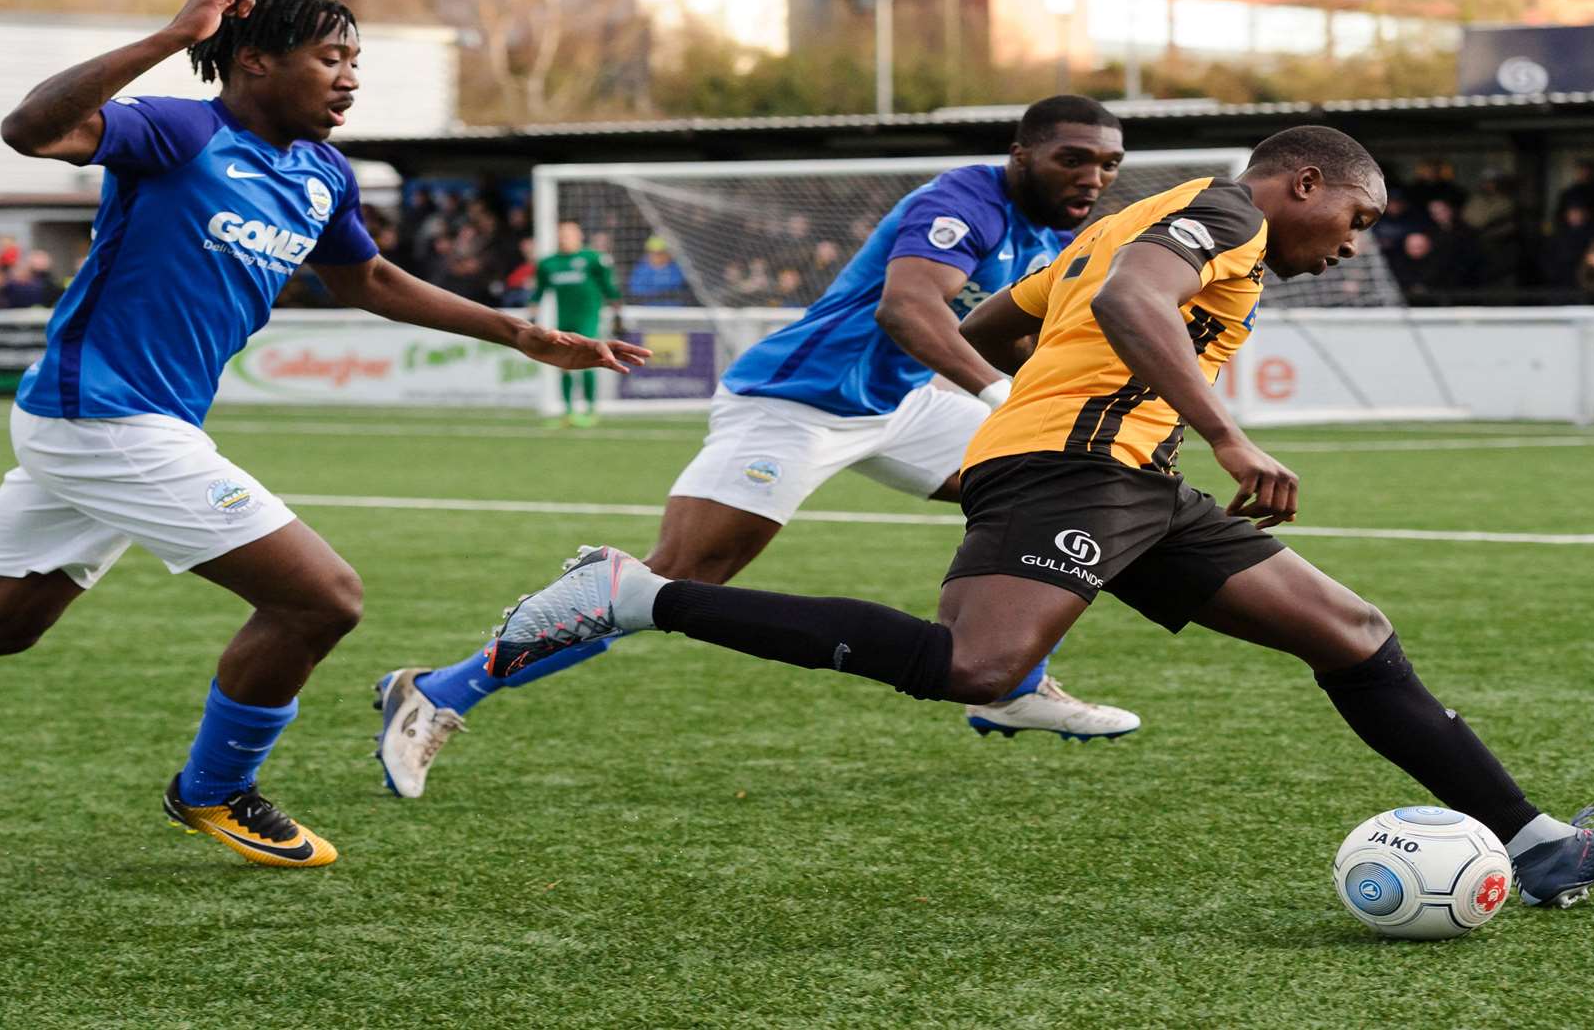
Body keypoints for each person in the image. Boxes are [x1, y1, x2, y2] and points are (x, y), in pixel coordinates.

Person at [487, 126, 1594, 911]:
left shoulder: (1126, 223)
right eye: (1360, 219)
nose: (1354, 244)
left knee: (1351, 629)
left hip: (1129, 473)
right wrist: (1224, 431)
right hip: (1080, 466)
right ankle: (632, 593)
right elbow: (1129, 301)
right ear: (1306, 184)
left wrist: (1009, 394)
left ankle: (1535, 844)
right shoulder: (1224, 216)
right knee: (979, 667)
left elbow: (1011, 318)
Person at [0, 0, 645, 870]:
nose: (349, 79)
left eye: (356, 61)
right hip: (105, 417)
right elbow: (31, 130)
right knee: (321, 598)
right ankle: (213, 791)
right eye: (329, 59)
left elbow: (370, 281)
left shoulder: (321, 174)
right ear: (254, 60)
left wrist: (521, 333)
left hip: (125, 424)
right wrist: (171, 34)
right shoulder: (182, 130)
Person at [375, 95, 1139, 799]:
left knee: (1056, 484)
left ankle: (1014, 685)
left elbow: (1010, 332)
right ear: (1020, 154)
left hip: (898, 406)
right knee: (665, 581)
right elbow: (908, 308)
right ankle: (438, 691)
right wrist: (1000, 393)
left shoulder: (1061, 233)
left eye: (1108, 163)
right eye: (1072, 157)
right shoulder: (963, 199)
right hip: (792, 404)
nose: (1093, 175)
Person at [532, 220, 623, 427]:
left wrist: (619, 314)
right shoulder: (548, 264)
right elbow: (538, 293)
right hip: (564, 320)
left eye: (569, 233)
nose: (564, 238)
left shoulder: (593, 259)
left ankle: (591, 410)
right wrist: (531, 320)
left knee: (589, 359)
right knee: (563, 363)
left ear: (579, 236)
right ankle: (568, 412)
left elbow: (609, 288)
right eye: (561, 234)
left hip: (589, 318)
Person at [625, 235, 688, 305]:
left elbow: (678, 285)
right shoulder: (642, 270)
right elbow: (636, 290)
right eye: (653, 253)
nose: (657, 257)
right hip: (647, 311)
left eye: (660, 253)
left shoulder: (676, 269)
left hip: (674, 310)